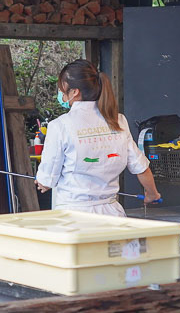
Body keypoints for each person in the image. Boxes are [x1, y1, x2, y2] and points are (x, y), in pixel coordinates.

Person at [35, 59, 162, 216]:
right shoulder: (118, 120)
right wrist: (152, 194)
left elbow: (48, 178)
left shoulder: (59, 126)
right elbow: (141, 167)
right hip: (112, 215)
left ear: (75, 92)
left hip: (73, 217)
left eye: (62, 89)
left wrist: (42, 182)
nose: (60, 94)